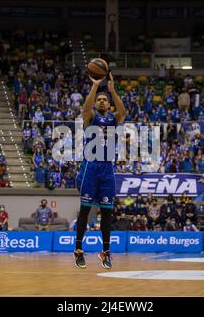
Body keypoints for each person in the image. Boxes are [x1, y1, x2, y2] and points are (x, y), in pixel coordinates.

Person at [74, 71, 126, 270]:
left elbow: (123, 113)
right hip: (91, 167)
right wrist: (95, 86)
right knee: (85, 211)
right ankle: (78, 250)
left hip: (107, 169)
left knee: (107, 213)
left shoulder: (113, 119)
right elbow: (85, 108)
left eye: (105, 100)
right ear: (96, 104)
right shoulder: (90, 118)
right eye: (100, 100)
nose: (102, 101)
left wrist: (112, 91)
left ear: (109, 104)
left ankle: (105, 252)